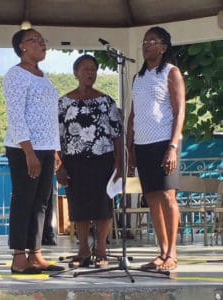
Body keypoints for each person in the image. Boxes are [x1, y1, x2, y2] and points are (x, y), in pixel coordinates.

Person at [4, 28, 64, 274]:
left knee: (41, 202)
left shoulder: (43, 76)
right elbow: (16, 116)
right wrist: (29, 153)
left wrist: (55, 150)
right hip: (24, 148)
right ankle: (19, 256)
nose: (41, 43)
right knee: (24, 200)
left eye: (43, 40)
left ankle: (36, 254)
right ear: (22, 47)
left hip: (47, 147)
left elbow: (50, 117)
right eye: (35, 40)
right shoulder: (15, 75)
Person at [126, 26, 185, 271]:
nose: (147, 45)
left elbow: (180, 110)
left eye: (153, 41)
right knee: (151, 199)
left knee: (168, 196)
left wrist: (173, 146)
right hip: (143, 145)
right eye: (144, 41)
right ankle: (161, 252)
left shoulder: (172, 73)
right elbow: (133, 114)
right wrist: (130, 147)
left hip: (164, 143)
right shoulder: (137, 78)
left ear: (163, 46)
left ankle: (172, 253)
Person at [56, 54, 122, 268]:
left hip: (102, 160)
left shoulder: (106, 101)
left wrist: (120, 164)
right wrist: (59, 165)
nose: (90, 73)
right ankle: (83, 249)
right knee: (79, 206)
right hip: (74, 161)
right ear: (76, 73)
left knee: (103, 205)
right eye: (85, 69)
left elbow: (117, 134)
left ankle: (101, 250)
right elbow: (55, 137)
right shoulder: (64, 103)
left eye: (93, 69)